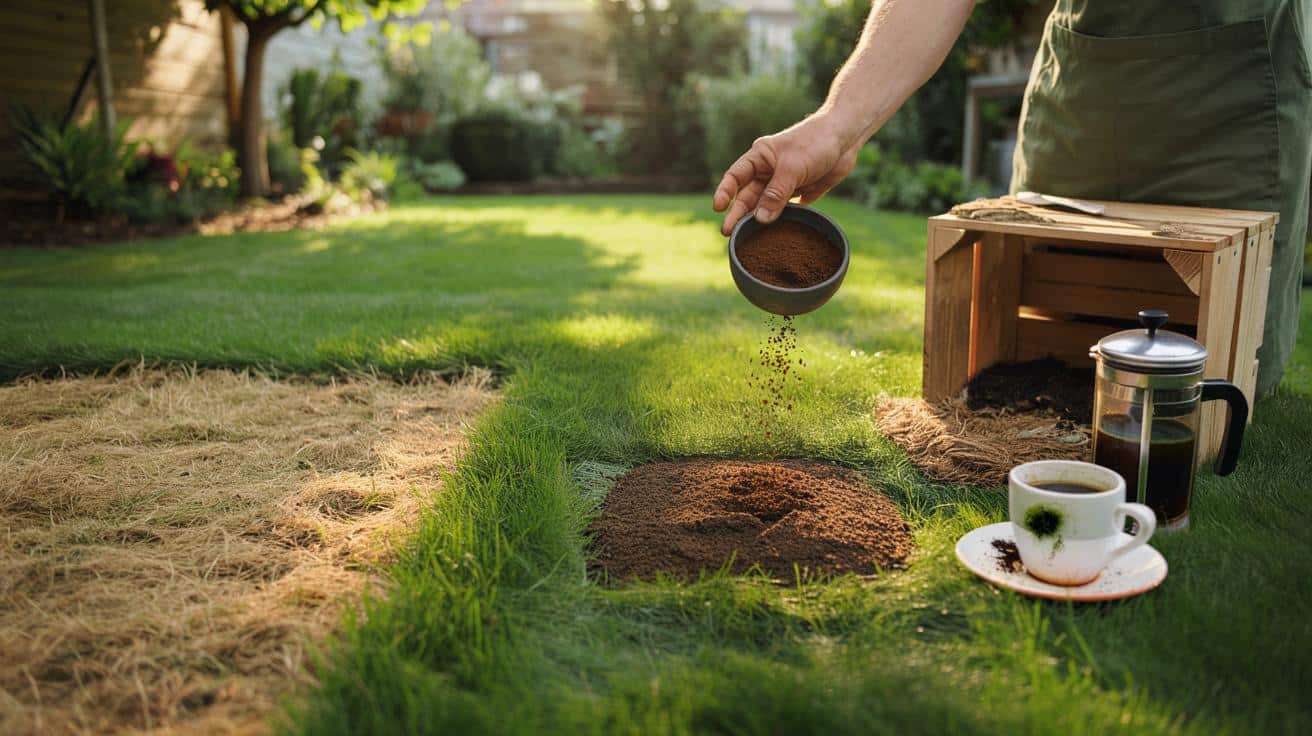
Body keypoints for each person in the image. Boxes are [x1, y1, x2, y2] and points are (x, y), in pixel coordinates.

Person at [713, 0, 1310, 396]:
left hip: (1236, 87)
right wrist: (837, 125)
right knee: (1047, 360)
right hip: (1089, 86)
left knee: (1213, 389)